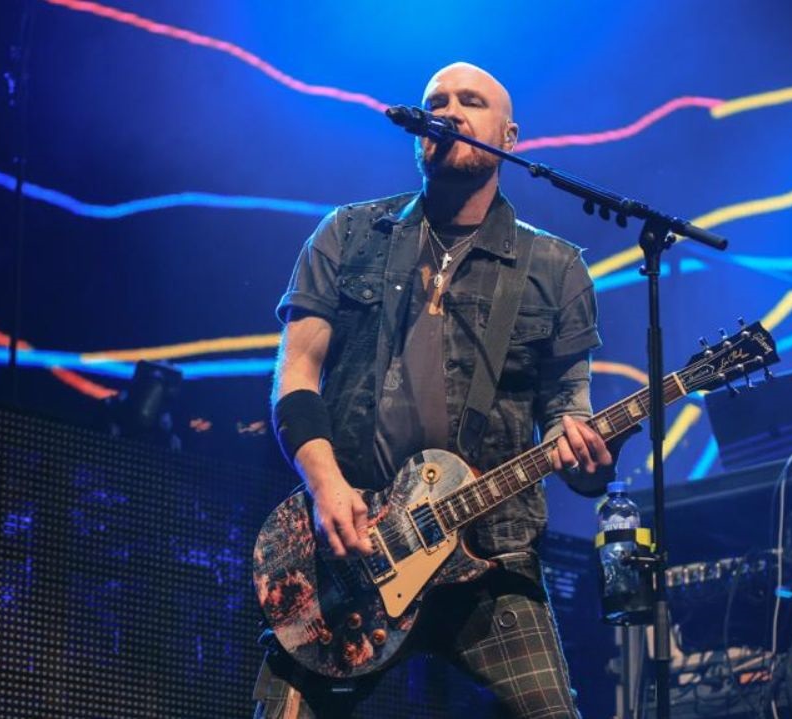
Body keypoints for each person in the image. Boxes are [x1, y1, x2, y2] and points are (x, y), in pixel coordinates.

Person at [255, 62, 622, 718]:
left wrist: (589, 460)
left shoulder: (556, 267)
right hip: (351, 550)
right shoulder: (348, 235)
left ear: (509, 137)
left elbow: (570, 412)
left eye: (470, 102)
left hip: (490, 554)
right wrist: (326, 486)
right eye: (436, 102)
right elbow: (296, 374)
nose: (448, 112)